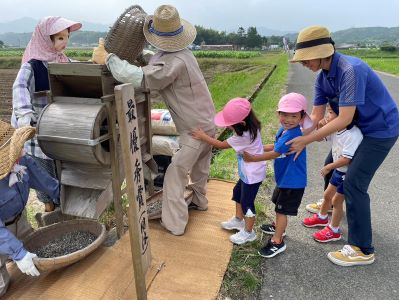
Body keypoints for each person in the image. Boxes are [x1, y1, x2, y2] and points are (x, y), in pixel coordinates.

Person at [93, 5, 216, 235]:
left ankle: (175, 224)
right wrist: (141, 57)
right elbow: (157, 60)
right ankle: (200, 201)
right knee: (200, 167)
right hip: (208, 124)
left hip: (193, 131)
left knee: (174, 174)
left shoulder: (172, 64)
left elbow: (140, 78)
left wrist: (108, 58)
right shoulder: (184, 54)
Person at [289, 25, 399, 266]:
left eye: (306, 59)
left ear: (322, 53)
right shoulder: (322, 78)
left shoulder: (350, 70)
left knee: (353, 183)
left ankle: (362, 248)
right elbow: (316, 117)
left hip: (380, 130)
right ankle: (329, 204)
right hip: (357, 129)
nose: (303, 64)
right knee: (332, 163)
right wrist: (292, 135)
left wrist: (307, 140)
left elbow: (344, 118)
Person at [11, 16, 81, 212]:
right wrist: (25, 115)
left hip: (59, 131)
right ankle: (49, 212)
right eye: (59, 38)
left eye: (66, 37)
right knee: (45, 177)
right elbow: (20, 88)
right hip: (38, 134)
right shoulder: (33, 66)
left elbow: (80, 72)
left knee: (62, 175)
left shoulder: (64, 61)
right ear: (45, 39)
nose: (64, 42)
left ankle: (64, 210)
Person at [244, 93, 310, 258]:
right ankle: (278, 227)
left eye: (294, 116)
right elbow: (276, 146)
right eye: (284, 114)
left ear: (302, 116)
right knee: (277, 204)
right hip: (285, 179)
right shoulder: (285, 130)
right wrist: (257, 147)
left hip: (292, 182)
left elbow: (274, 153)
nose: (288, 119)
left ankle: (277, 241)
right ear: (278, 114)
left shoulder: (292, 133)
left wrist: (253, 157)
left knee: (282, 211)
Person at [192, 98, 266, 245]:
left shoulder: (242, 137)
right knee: (237, 192)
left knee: (247, 203)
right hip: (247, 173)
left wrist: (203, 136)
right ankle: (238, 220)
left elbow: (220, 144)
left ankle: (249, 232)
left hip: (252, 176)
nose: (229, 128)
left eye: (231, 126)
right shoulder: (253, 128)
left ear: (242, 124)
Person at [0, 121, 60, 296]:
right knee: (2, 287)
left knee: (36, 265)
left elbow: (46, 182)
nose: (22, 150)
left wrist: (64, 196)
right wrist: (18, 253)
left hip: (19, 219)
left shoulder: (23, 160)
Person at [303, 100, 363, 243]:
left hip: (346, 172)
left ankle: (334, 230)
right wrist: (320, 125)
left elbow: (346, 160)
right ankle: (322, 217)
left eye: (330, 112)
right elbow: (320, 139)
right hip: (338, 170)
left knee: (337, 201)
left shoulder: (352, 134)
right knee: (327, 194)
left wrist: (329, 166)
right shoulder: (336, 128)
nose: (327, 115)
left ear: (344, 115)